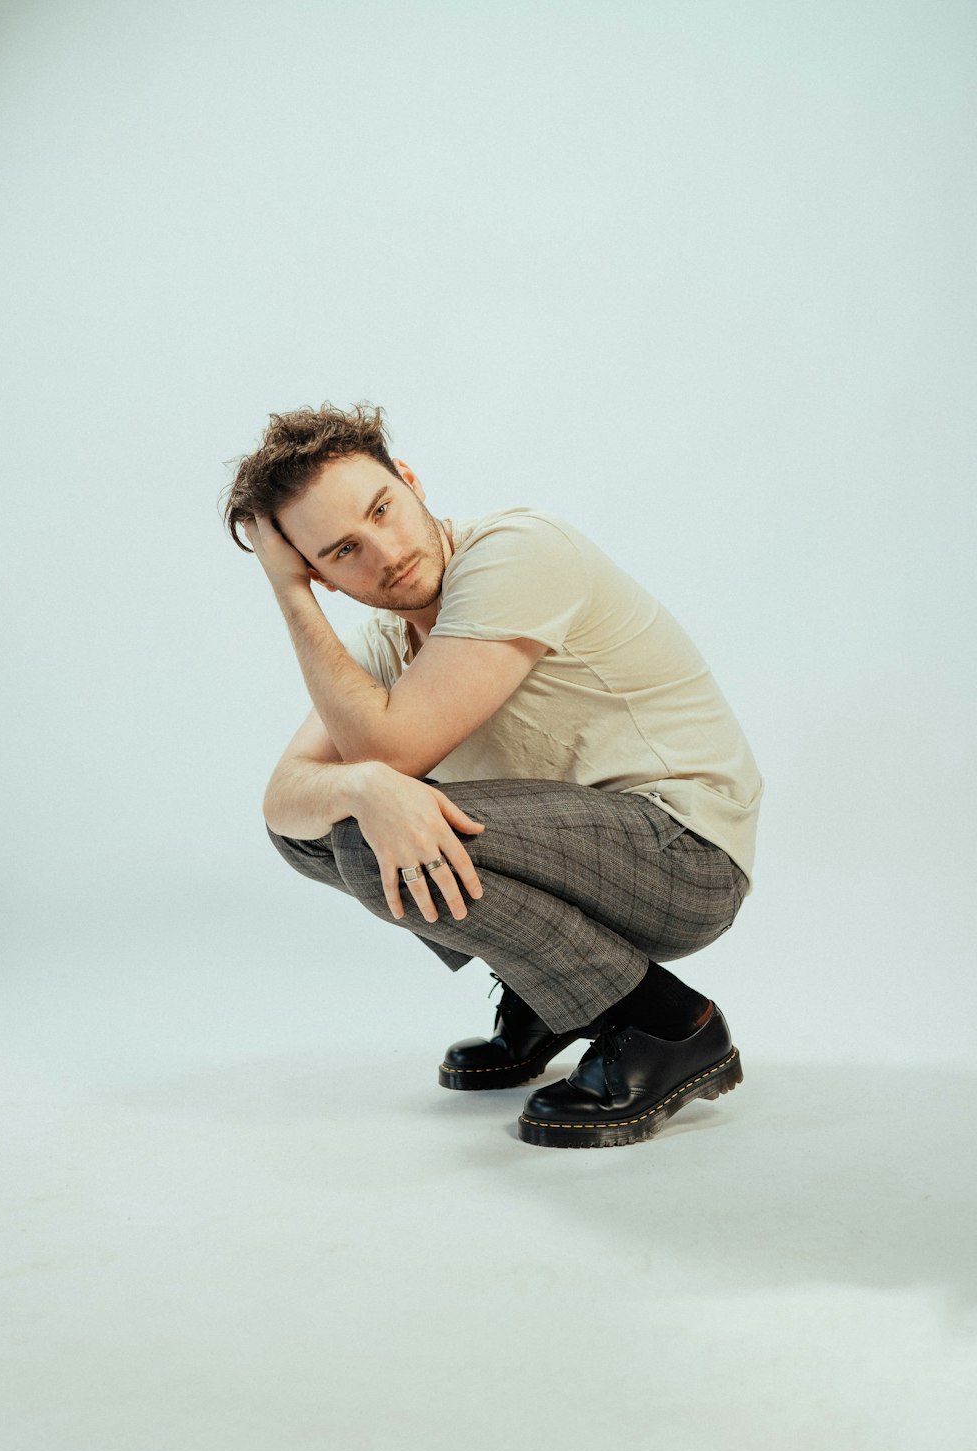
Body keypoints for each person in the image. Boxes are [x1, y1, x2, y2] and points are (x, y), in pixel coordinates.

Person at [223, 402, 763, 1149]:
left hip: (685, 853)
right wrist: (358, 783)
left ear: (410, 481)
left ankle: (670, 1025)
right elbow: (282, 802)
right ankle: (549, 991)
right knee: (327, 831)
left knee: (371, 839)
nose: (384, 553)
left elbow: (393, 744)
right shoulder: (386, 641)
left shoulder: (517, 552)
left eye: (384, 509)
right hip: (588, 858)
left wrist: (293, 600)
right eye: (342, 551)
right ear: (325, 577)